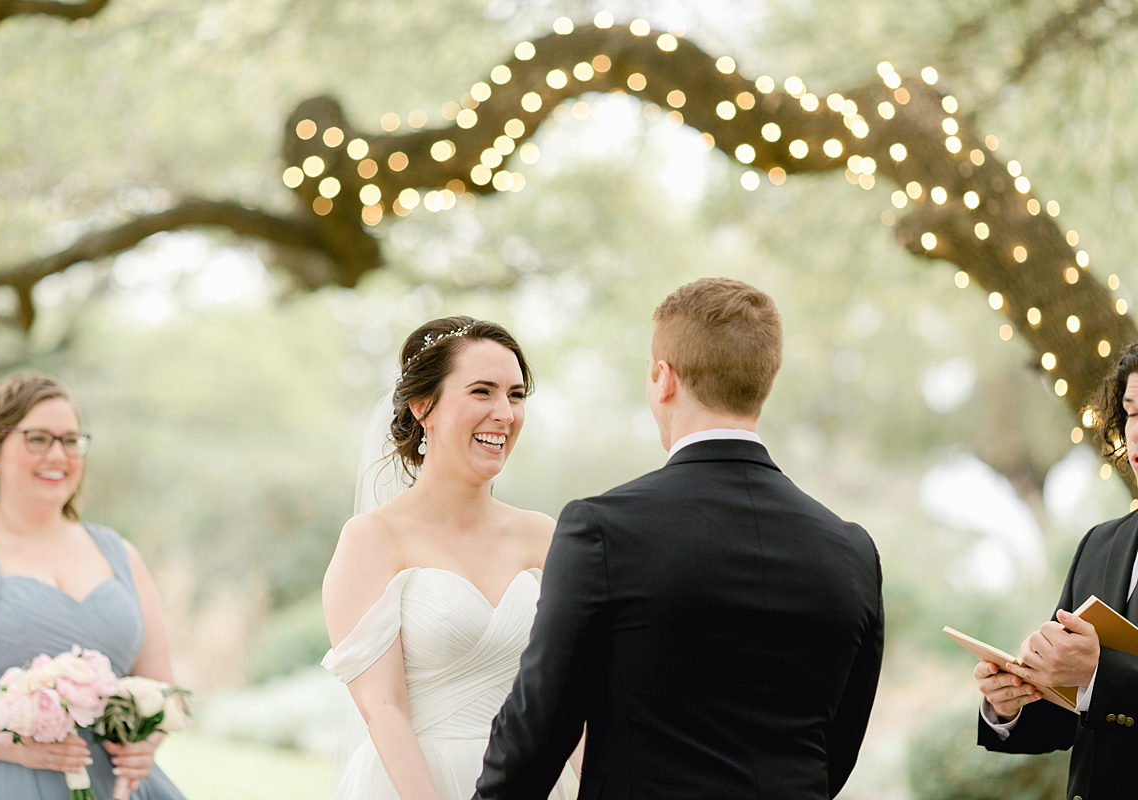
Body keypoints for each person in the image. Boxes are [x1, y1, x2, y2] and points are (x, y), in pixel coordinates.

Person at [472, 277, 885, 800]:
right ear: (764, 382)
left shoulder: (603, 529)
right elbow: (839, 746)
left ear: (662, 378)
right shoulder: (851, 551)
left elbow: (538, 729)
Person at [321, 316, 581, 800]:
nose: (504, 412)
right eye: (482, 391)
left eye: (516, 395)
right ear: (424, 407)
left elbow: (571, 699)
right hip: (415, 782)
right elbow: (385, 711)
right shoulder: (373, 539)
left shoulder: (544, 535)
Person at [0, 374, 186, 800]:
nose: (59, 454)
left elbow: (164, 689)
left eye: (72, 440)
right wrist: (20, 749)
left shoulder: (121, 554)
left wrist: (146, 742)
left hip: (112, 787)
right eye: (38, 439)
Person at [975, 343, 1138, 800]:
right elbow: (1067, 714)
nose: (1137, 433)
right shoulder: (1098, 545)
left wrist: (1098, 673)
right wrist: (1008, 705)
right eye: (1131, 413)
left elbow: (1094, 683)